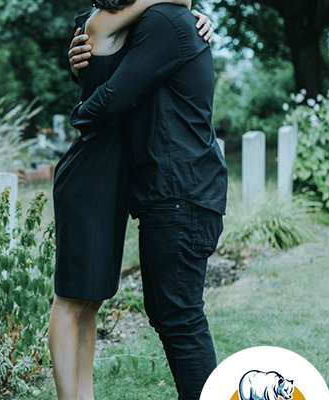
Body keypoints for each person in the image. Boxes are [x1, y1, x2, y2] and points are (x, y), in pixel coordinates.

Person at [49, 1, 213, 399]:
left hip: (125, 178)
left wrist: (200, 21)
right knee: (73, 298)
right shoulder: (105, 22)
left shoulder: (152, 23)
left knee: (93, 300)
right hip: (92, 170)